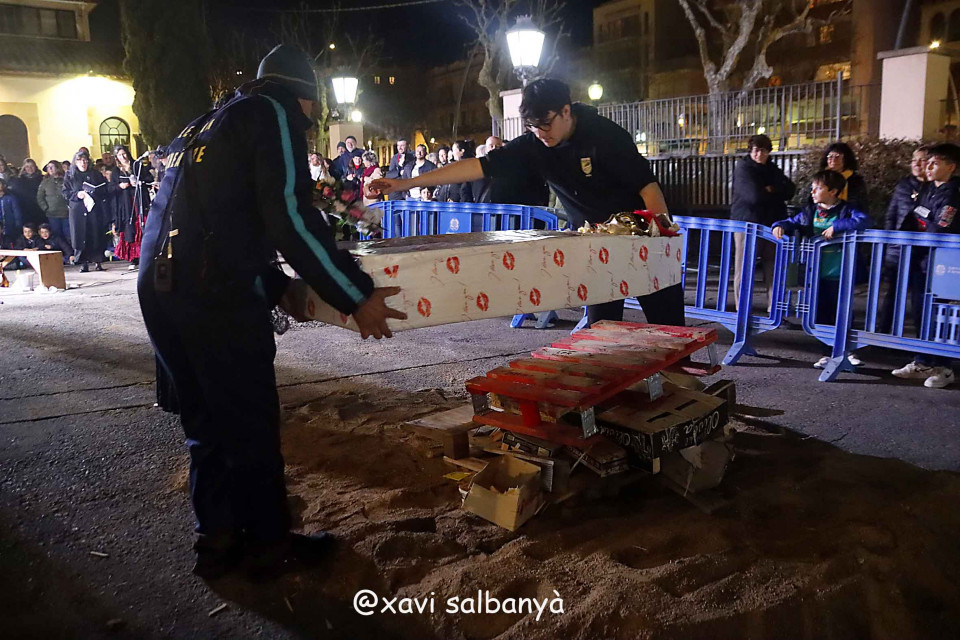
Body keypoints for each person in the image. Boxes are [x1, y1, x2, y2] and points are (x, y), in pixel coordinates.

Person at [137, 44, 405, 580]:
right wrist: (355, 294)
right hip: (212, 294)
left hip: (161, 285)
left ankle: (216, 539)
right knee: (249, 423)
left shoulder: (211, 121)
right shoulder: (273, 114)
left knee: (206, 423)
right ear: (305, 99)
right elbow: (289, 216)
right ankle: (267, 545)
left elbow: (219, 221)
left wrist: (275, 284)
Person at [370, 77, 685, 329]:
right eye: (532, 126)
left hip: (643, 238)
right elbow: (476, 166)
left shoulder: (605, 136)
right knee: (603, 330)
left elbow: (648, 187)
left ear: (565, 111)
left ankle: (679, 379)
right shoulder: (535, 145)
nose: (540, 133)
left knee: (669, 326)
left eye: (545, 123)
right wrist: (405, 184)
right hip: (597, 247)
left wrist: (662, 237)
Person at [772, 170, 872, 368]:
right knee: (820, 313)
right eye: (812, 188)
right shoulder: (810, 212)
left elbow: (865, 221)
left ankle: (847, 350)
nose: (812, 192)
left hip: (840, 273)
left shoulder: (847, 210)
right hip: (816, 273)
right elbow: (791, 222)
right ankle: (826, 351)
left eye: (818, 188)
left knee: (842, 313)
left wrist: (838, 226)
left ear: (833, 191)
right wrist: (778, 225)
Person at [891, 142, 960, 389]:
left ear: (951, 167)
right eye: (927, 162)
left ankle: (944, 367)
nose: (928, 167)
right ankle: (922, 360)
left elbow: (941, 226)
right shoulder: (927, 189)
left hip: (944, 261)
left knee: (942, 314)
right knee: (921, 311)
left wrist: (923, 213)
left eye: (935, 163)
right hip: (921, 258)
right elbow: (911, 218)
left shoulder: (953, 192)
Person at [730, 134, 796, 313]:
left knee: (773, 267)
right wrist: (775, 191)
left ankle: (774, 308)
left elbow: (790, 189)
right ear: (750, 151)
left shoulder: (772, 168)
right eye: (756, 150)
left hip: (772, 223)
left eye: (764, 150)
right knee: (744, 268)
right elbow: (753, 196)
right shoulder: (744, 167)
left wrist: (770, 189)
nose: (759, 154)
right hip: (748, 223)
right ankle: (743, 309)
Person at [879, 145, 930, 333]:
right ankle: (883, 335)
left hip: (925, 252)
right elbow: (891, 216)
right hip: (899, 249)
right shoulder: (904, 185)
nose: (917, 164)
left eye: (922, 160)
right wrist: (890, 242)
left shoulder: (936, 187)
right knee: (893, 294)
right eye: (914, 160)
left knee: (920, 295)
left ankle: (921, 337)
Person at [62, 150, 108, 272]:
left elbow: (104, 188)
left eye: (85, 161)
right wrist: (77, 194)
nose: (83, 163)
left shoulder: (95, 174)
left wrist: (95, 191)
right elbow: (65, 192)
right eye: (80, 161)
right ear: (75, 162)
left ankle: (98, 261)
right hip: (78, 210)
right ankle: (83, 263)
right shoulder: (70, 175)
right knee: (80, 235)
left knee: (95, 234)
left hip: (94, 209)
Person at [109, 145, 151, 269]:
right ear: (116, 157)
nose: (123, 157)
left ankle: (145, 255)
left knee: (141, 226)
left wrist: (139, 181)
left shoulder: (136, 165)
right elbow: (110, 188)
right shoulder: (116, 171)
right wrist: (120, 186)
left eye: (124, 154)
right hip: (126, 204)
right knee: (130, 228)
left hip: (139, 201)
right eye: (119, 155)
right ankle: (134, 258)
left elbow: (148, 178)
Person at [819, 142, 869, 215]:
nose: (833, 160)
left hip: (848, 217)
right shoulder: (820, 179)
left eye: (837, 157)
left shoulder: (856, 181)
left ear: (846, 159)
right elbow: (811, 204)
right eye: (830, 157)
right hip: (821, 217)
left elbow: (861, 205)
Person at [37, 160, 69, 240]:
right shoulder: (45, 182)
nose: (50, 169)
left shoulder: (66, 180)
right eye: (48, 167)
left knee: (68, 235)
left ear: (58, 168)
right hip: (52, 214)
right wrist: (46, 208)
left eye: (52, 167)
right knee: (56, 236)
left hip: (66, 213)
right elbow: (40, 197)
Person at [13, 158, 44, 225]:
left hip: (40, 209)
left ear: (35, 166)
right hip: (26, 209)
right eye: (27, 166)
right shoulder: (19, 180)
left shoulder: (43, 179)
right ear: (24, 168)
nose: (30, 168)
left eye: (32, 166)